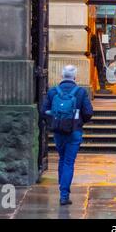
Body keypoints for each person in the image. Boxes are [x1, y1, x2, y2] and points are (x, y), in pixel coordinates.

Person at [41, 65, 93, 205]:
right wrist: (79, 122)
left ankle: (62, 189)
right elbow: (88, 112)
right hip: (74, 132)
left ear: (62, 76)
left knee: (62, 159)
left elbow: (43, 111)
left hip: (58, 132)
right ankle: (64, 195)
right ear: (75, 77)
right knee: (69, 162)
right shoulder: (80, 92)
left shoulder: (53, 92)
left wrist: (54, 122)